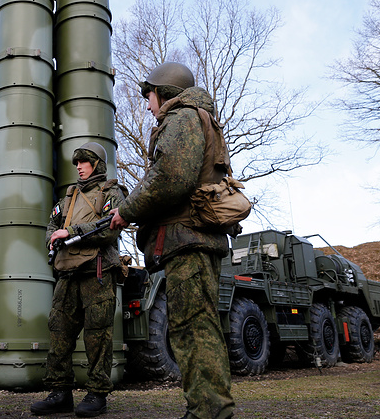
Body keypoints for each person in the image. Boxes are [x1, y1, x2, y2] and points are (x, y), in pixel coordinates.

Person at [109, 62, 235, 419]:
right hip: (193, 241)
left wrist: (127, 211)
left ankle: (209, 411)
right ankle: (208, 408)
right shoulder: (200, 118)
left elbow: (169, 177)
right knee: (197, 327)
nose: (149, 106)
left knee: (193, 329)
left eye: (149, 97)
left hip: (187, 242)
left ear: (163, 92)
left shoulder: (181, 118)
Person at [30, 142, 126, 418]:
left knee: (98, 335)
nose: (80, 167)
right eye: (77, 163)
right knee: (59, 331)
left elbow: (110, 228)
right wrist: (52, 238)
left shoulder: (111, 192)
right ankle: (60, 393)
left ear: (97, 164)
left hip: (97, 272)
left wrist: (70, 231)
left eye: (85, 162)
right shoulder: (68, 197)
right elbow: (52, 224)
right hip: (67, 273)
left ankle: (97, 393)